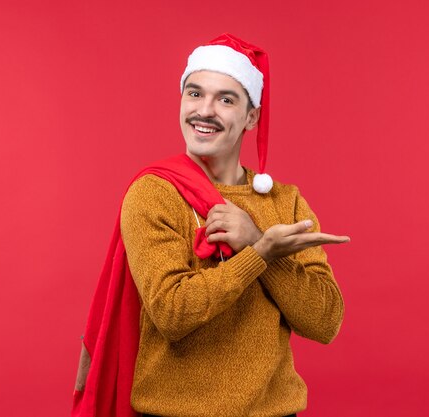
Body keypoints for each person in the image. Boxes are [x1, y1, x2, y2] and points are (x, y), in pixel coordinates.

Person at [73, 33, 349, 417]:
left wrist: (257, 241)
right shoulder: (154, 193)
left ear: (252, 116)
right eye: (194, 93)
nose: (205, 110)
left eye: (226, 99)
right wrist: (259, 253)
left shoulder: (285, 201)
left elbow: (325, 322)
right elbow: (172, 312)